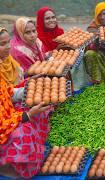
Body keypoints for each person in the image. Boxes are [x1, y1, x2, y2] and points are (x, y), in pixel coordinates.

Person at [0, 26, 51, 179]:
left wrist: (29, 83)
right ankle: (9, 167)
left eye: (8, 42)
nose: (9, 46)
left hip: (7, 112)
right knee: (23, 133)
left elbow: (7, 91)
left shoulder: (9, 62)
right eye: (2, 43)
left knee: (40, 114)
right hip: (3, 124)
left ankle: (30, 157)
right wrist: (27, 115)